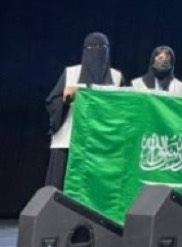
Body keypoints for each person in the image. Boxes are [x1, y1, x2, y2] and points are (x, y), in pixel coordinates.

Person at [44, 32, 124, 188]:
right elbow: (52, 101)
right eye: (92, 47)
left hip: (101, 142)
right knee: (58, 188)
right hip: (68, 139)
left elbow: (121, 108)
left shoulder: (116, 77)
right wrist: (66, 98)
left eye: (102, 47)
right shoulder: (71, 73)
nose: (97, 51)